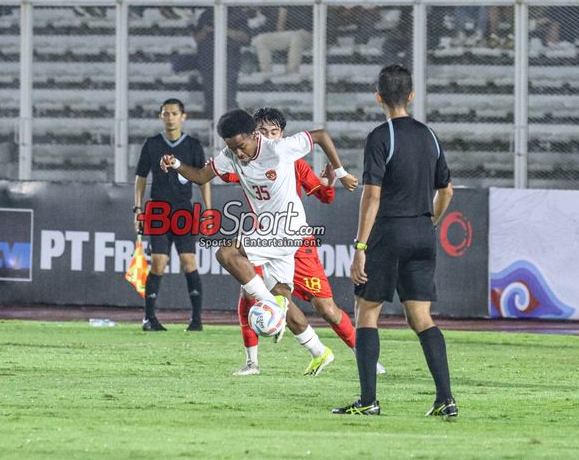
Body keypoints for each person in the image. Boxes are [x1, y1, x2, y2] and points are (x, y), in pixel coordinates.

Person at [160, 110, 358, 364]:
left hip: (289, 231)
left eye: (241, 146)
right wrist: (176, 164)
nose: (239, 154)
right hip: (268, 233)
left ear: (254, 135)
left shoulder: (279, 149)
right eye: (233, 148)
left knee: (225, 252)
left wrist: (340, 173)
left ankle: (273, 309)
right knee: (281, 296)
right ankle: (319, 351)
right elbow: (200, 176)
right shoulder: (231, 156)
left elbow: (320, 136)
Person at [333, 65, 456, 418]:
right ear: (412, 96)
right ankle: (445, 398)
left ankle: (368, 400)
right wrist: (430, 220)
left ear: (378, 98)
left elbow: (372, 196)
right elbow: (445, 190)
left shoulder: (380, 136)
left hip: (389, 233)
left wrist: (359, 248)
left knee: (366, 312)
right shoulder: (429, 135)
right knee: (421, 317)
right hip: (422, 232)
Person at [229, 107, 386, 377]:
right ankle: (253, 363)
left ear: (282, 134)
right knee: (248, 294)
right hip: (264, 240)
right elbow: (221, 171)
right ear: (254, 135)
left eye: (274, 132)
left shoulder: (293, 161)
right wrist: (184, 173)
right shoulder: (245, 160)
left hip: (297, 244)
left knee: (327, 309)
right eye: (263, 132)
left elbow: (324, 195)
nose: (269, 137)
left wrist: (329, 180)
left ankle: (366, 357)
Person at [133, 98, 211, 332]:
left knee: (189, 262)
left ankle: (196, 320)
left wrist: (208, 209)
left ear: (183, 116)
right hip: (158, 210)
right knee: (158, 263)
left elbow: (203, 178)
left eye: (174, 113)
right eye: (166, 114)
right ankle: (149, 319)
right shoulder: (152, 144)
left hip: (183, 210)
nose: (170, 117)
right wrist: (137, 208)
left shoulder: (193, 146)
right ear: (161, 117)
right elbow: (141, 177)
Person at [251, 6, 312, 78]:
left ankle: (292, 72)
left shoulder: (308, 1)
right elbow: (280, 27)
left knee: (296, 37)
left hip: (308, 35)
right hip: (289, 35)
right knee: (261, 39)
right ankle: (266, 72)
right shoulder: (285, 3)